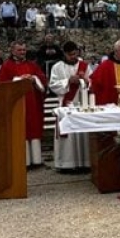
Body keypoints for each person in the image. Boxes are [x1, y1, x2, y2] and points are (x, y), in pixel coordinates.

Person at [0, 41, 48, 167]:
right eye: (19, 50)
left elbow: (42, 79)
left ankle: (36, 160)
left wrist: (34, 79)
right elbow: (2, 85)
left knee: (34, 128)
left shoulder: (32, 65)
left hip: (32, 103)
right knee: (20, 130)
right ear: (13, 51)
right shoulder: (6, 66)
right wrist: (19, 80)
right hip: (17, 104)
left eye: (24, 50)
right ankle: (23, 161)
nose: (22, 52)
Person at [50, 41, 92, 171]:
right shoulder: (57, 67)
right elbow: (52, 84)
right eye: (70, 55)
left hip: (82, 102)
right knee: (68, 135)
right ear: (65, 54)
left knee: (82, 132)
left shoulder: (84, 66)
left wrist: (86, 81)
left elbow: (92, 81)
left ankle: (85, 162)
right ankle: (66, 164)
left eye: (75, 54)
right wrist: (67, 81)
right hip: (66, 104)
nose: (73, 57)